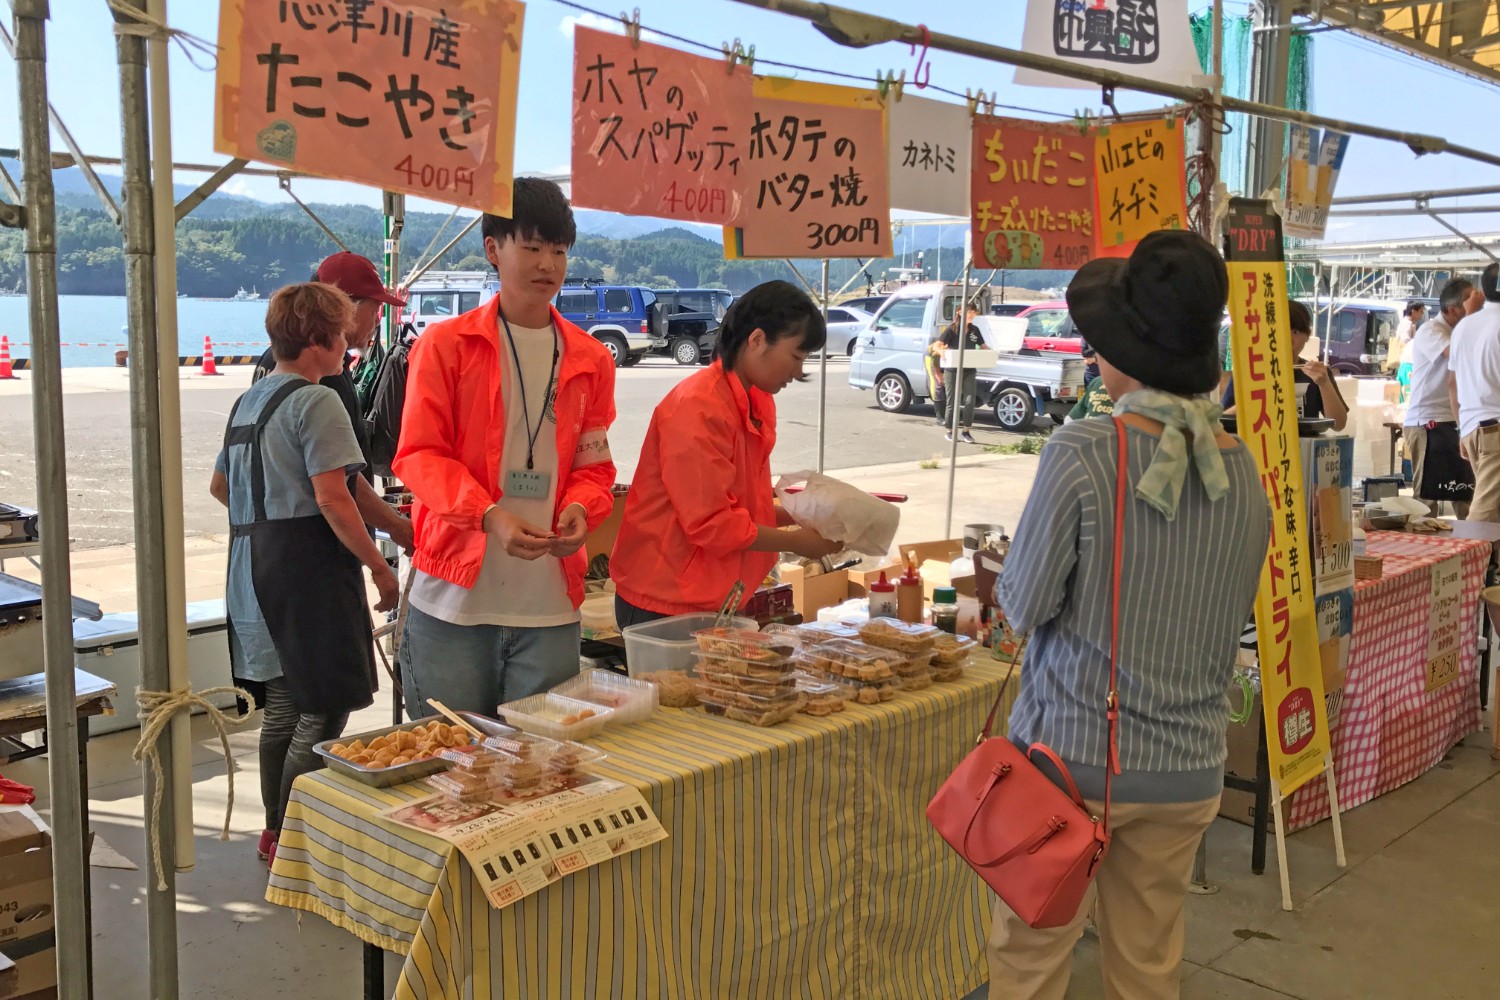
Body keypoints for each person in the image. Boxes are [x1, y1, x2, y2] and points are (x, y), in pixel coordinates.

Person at [991, 231, 1270, 999]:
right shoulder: (1244, 471)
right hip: (1187, 769)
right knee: (1148, 968)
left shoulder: (1084, 451)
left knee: (1031, 960)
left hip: (1072, 765)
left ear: (1126, 354)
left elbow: (1023, 604)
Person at [393, 178, 617, 716]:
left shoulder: (591, 359)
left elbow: (595, 465)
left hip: (549, 608)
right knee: (450, 765)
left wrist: (582, 509)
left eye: (559, 251)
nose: (548, 264)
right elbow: (418, 456)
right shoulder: (446, 345)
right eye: (533, 247)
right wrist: (488, 515)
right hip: (453, 603)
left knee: (538, 770)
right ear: (493, 249)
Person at [210, 282, 398, 867]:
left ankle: (272, 833)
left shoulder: (251, 400)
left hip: (249, 563)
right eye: (341, 334)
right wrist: (379, 565)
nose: (347, 344)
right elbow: (334, 497)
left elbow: (221, 488)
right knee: (324, 707)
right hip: (304, 571)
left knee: (285, 708)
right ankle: (295, 834)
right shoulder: (318, 401)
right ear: (319, 339)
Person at [610, 281, 842, 627]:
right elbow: (712, 524)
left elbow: (743, 506)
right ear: (757, 340)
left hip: (713, 596)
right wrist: (799, 543)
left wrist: (804, 515)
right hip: (666, 600)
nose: (798, 372)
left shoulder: (753, 401)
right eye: (796, 356)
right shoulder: (699, 406)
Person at [252, 251, 413, 553]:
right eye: (375, 308)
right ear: (344, 307)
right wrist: (395, 531)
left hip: (272, 544)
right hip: (324, 549)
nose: (377, 321)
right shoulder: (322, 379)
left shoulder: (271, 363)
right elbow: (341, 484)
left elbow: (224, 486)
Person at [1404, 278, 1481, 517]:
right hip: (1427, 421)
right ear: (1452, 309)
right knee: (1427, 497)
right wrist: (1476, 318)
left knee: (1466, 492)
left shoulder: (1462, 331)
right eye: (1470, 300)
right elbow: (1458, 354)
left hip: (1457, 420)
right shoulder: (1431, 330)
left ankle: (1472, 550)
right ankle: (1424, 552)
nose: (1478, 304)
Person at [1221, 299, 1348, 431]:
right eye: (1279, 330)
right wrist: (1253, 402)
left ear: (1308, 335)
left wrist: (1325, 384)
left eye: (1295, 332)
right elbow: (1222, 423)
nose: (1287, 339)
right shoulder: (1249, 372)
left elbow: (1338, 425)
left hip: (1303, 448)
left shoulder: (1318, 374)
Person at [1447, 262, 1500, 522]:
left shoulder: (1464, 326)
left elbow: (1453, 383)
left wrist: (1461, 429)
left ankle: (1487, 562)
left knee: (1492, 507)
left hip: (1472, 426)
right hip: (1495, 428)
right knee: (1484, 511)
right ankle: (1466, 558)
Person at [932, 306, 984, 443]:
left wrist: (991, 353)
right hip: (952, 369)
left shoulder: (975, 330)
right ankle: (949, 430)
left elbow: (984, 347)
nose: (972, 315)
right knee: (952, 400)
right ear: (960, 312)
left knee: (969, 400)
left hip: (969, 369)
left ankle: (966, 431)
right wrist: (941, 351)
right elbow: (936, 345)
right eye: (969, 312)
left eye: (973, 313)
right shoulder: (952, 329)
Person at [1066, 342, 1113, 422]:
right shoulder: (1086, 336)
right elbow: (1084, 353)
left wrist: (1094, 359)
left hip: (1106, 374)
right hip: (1091, 374)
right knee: (1089, 400)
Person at [1388, 299, 1426, 375]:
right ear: (1413, 311)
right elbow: (1405, 340)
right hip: (1407, 362)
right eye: (1421, 311)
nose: (1422, 313)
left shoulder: (1408, 322)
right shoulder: (1408, 324)